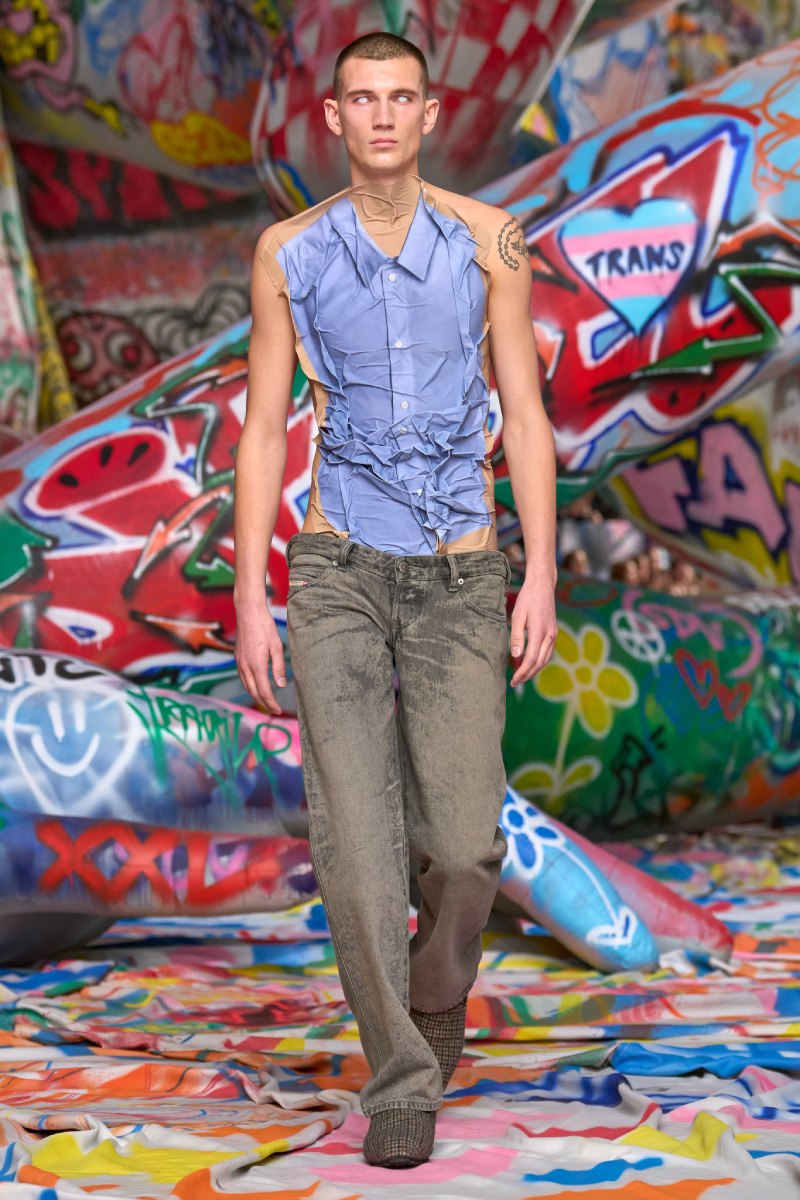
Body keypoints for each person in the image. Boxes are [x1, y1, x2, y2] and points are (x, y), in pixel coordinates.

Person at [234, 31, 557, 1168]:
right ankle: (402, 1080)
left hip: (462, 573)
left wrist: (539, 571)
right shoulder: (287, 252)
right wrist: (249, 592)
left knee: (463, 847)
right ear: (334, 117)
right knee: (357, 847)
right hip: (337, 572)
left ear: (428, 112)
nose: (381, 115)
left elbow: (523, 413)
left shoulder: (492, 241)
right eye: (361, 98)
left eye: (400, 97)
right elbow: (264, 429)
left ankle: (436, 990)